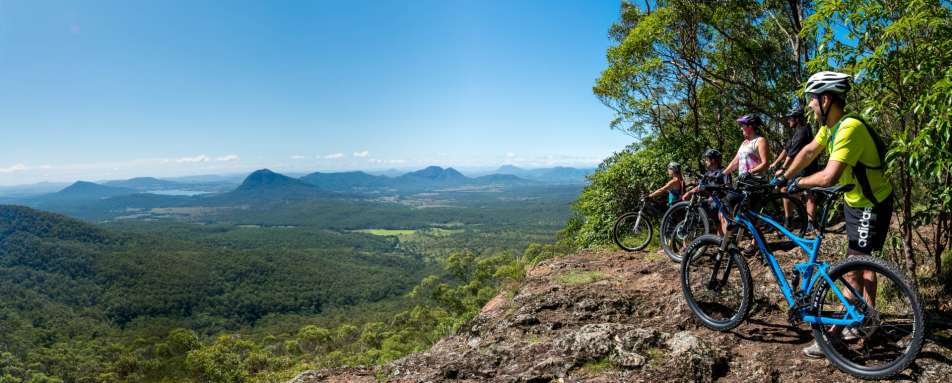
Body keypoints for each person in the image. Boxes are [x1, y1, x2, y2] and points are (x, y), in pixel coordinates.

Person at [774, 71, 894, 358]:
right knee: (863, 266)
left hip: (871, 203)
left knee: (855, 267)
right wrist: (783, 175)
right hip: (855, 201)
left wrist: (796, 183)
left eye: (812, 101)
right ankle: (866, 319)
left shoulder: (849, 128)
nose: (810, 107)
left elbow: (828, 176)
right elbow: (810, 150)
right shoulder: (832, 126)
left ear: (825, 99)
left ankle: (837, 335)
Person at [769, 106, 820, 228]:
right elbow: (787, 149)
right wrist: (775, 163)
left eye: (790, 118)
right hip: (798, 168)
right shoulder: (797, 131)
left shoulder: (803, 131)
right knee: (785, 189)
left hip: (808, 168)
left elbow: (792, 154)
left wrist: (783, 168)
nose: (788, 121)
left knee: (809, 193)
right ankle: (789, 219)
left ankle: (811, 223)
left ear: (797, 119)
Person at [682, 149, 731, 235]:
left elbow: (728, 187)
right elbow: (700, 186)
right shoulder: (707, 174)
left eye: (707, 159)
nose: (705, 161)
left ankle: (727, 242)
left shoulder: (724, 171)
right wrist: (689, 193)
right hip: (711, 201)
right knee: (714, 222)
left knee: (722, 217)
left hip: (722, 201)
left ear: (713, 160)